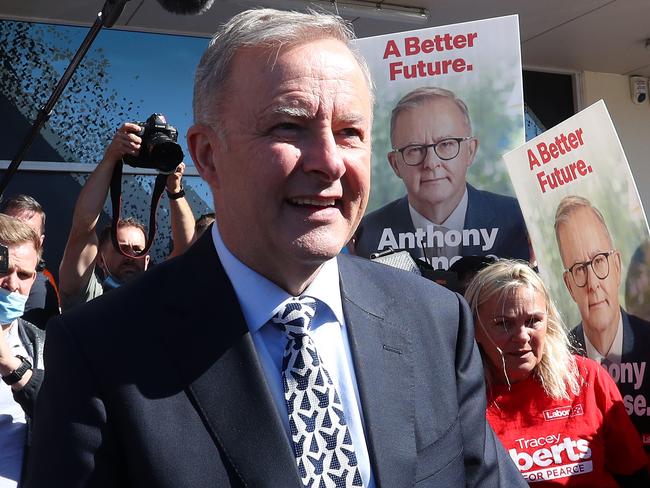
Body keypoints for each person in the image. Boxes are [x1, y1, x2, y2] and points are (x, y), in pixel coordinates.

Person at [25, 9, 526, 488]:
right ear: (208, 155)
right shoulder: (101, 352)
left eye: (350, 132)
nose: (329, 163)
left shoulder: (435, 322)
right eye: (290, 127)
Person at [465, 260, 649, 486]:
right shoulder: (463, 398)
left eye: (533, 321)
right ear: (475, 328)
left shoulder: (586, 378)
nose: (522, 336)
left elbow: (634, 474)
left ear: (548, 322)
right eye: (504, 324)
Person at [354, 87, 529, 270]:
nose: (431, 163)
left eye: (446, 144)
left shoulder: (519, 220)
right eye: (415, 149)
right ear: (395, 164)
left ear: (470, 151)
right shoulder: (366, 235)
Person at [57, 124, 195, 311]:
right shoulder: (86, 294)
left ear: (147, 260)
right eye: (121, 248)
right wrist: (111, 158)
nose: (130, 256)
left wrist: (175, 189)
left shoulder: (157, 295)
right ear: (99, 258)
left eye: (138, 250)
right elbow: (83, 225)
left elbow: (187, 250)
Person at [554, 195, 650, 455]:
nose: (593, 283)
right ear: (569, 285)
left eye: (598, 261)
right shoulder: (557, 363)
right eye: (579, 269)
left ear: (617, 266)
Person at [0, 214, 46, 488]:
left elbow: (66, 418)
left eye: (25, 274)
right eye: (4, 270)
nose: (13, 284)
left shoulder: (42, 346)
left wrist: (10, 365)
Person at [0, 194, 59, 328]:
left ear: (40, 241)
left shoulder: (42, 285)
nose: (12, 284)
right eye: (11, 228)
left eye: (23, 275)